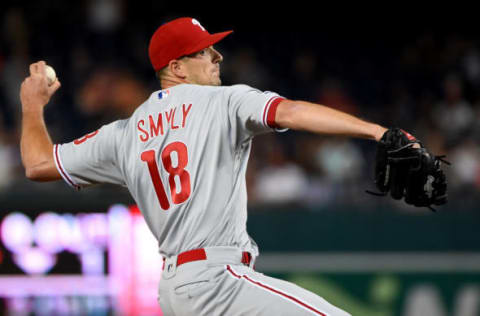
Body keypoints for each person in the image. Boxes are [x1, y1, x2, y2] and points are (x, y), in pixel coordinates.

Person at [20, 17, 390, 316]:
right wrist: (377, 132)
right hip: (217, 280)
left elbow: (38, 163)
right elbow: (290, 111)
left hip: (174, 292)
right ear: (177, 67)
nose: (218, 57)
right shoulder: (222, 101)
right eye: (204, 51)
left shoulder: (123, 134)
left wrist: (32, 106)